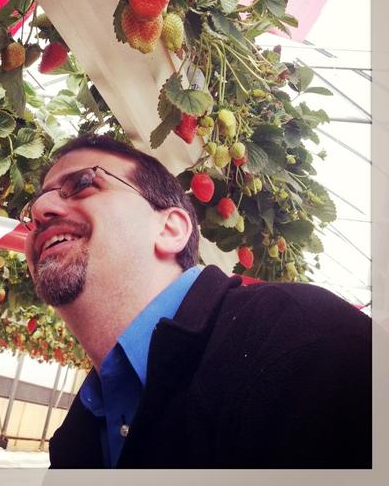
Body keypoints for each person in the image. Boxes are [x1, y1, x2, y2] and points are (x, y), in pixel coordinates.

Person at [22, 133, 371, 469]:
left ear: (170, 229)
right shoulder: (78, 433)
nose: (40, 209)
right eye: (31, 208)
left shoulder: (302, 337)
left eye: (82, 183)